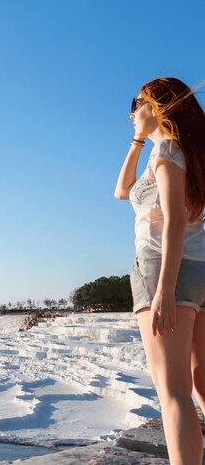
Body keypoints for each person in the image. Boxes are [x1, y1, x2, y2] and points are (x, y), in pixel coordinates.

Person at [115, 77, 205, 464]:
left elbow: (173, 224)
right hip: (200, 271)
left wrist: (164, 291)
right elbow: (122, 190)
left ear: (158, 106)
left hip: (165, 270)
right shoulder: (181, 152)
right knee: (200, 385)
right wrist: (138, 139)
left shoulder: (168, 150)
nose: (132, 111)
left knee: (173, 392)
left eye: (138, 102)